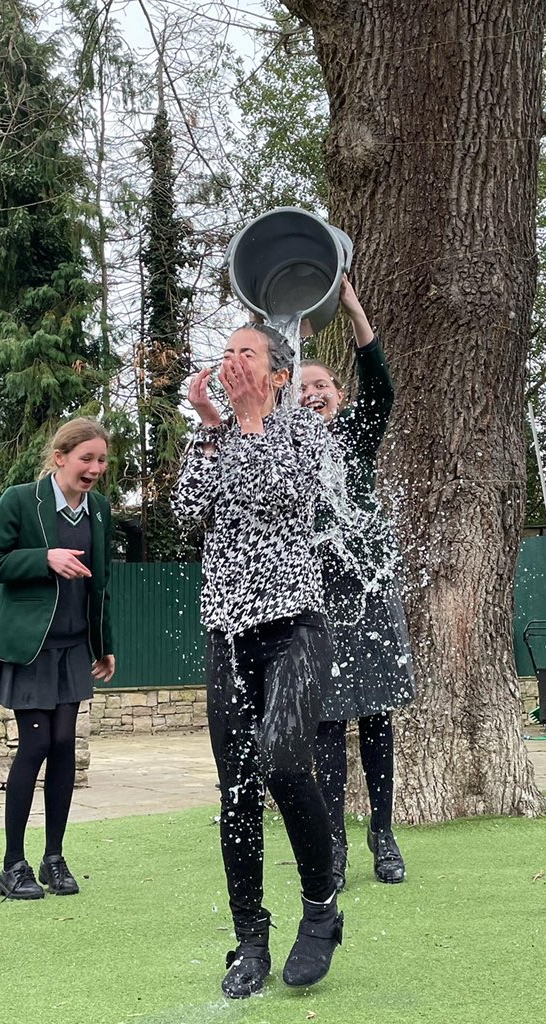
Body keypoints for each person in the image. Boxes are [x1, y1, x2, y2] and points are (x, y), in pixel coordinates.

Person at [172, 323, 342, 999]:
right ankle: (249, 939)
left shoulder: (305, 430)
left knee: (281, 757)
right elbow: (187, 509)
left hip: (297, 624)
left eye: (249, 352)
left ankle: (322, 910)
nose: (233, 360)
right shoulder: (213, 436)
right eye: (229, 350)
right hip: (228, 632)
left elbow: (281, 492)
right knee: (237, 788)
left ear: (276, 375)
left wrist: (241, 421)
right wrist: (212, 427)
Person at [300, 277, 415, 891]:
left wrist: (351, 307)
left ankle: (384, 831)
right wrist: (295, 337)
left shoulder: (356, 436)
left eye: (321, 386)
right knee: (323, 725)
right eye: (303, 388)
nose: (313, 394)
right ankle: (337, 842)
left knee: (375, 719)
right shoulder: (288, 449)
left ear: (339, 397)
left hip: (368, 589)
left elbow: (383, 386)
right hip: (314, 599)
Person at [0, 417, 115, 900]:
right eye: (86, 459)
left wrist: (105, 644)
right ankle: (13, 864)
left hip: (75, 647)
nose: (95, 468)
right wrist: (44, 557)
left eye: (101, 460)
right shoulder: (19, 501)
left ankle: (54, 858)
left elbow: (102, 584)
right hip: (29, 648)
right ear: (60, 458)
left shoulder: (98, 509)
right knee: (34, 747)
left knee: (64, 749)